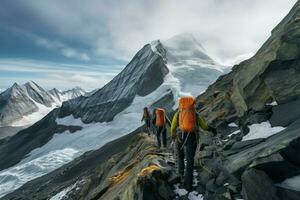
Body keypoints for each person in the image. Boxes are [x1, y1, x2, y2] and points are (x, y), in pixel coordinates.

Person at [170, 96, 216, 191]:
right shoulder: (194, 113)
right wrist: (211, 129)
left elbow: (173, 126)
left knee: (180, 157)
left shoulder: (178, 113)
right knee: (190, 161)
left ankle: (180, 174)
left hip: (180, 137)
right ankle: (188, 184)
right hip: (191, 138)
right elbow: (204, 126)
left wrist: (173, 135)